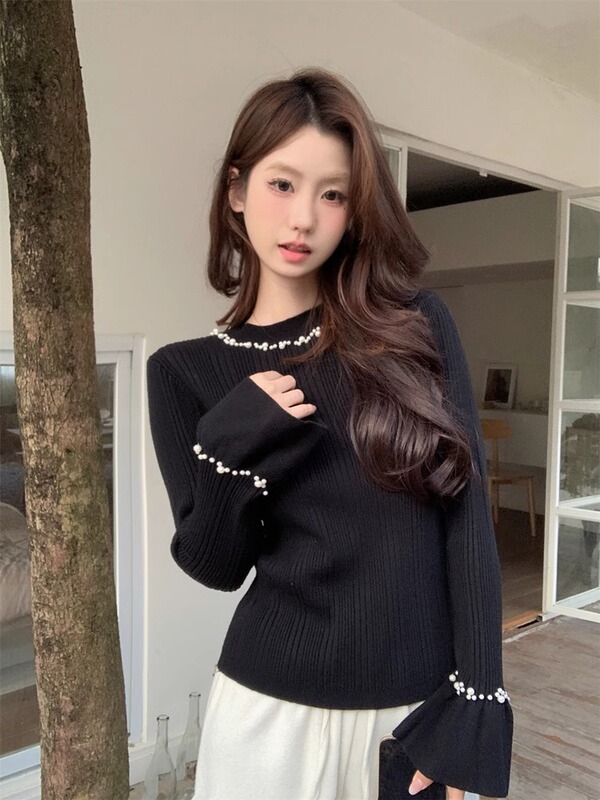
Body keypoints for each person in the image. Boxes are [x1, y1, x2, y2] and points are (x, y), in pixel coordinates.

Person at [147, 68, 513, 800]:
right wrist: (230, 449)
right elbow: (215, 564)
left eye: (333, 194)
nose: (303, 219)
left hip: (412, 717)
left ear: (354, 209)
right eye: (282, 184)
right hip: (266, 719)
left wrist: (475, 707)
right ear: (236, 190)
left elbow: (469, 518)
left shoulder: (415, 326)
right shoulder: (182, 372)